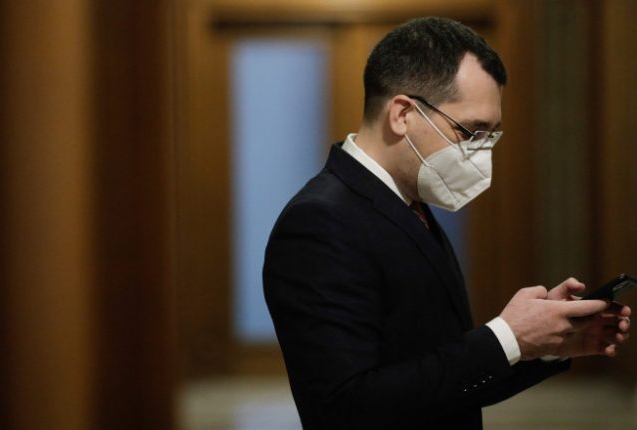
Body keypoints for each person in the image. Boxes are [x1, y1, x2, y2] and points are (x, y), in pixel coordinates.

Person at [262, 17, 631, 429]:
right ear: (403, 114)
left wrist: (541, 345)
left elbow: (443, 380)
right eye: (471, 131)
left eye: (491, 136)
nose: (482, 152)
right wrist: (506, 337)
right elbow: (345, 408)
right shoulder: (319, 221)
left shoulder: (410, 204)